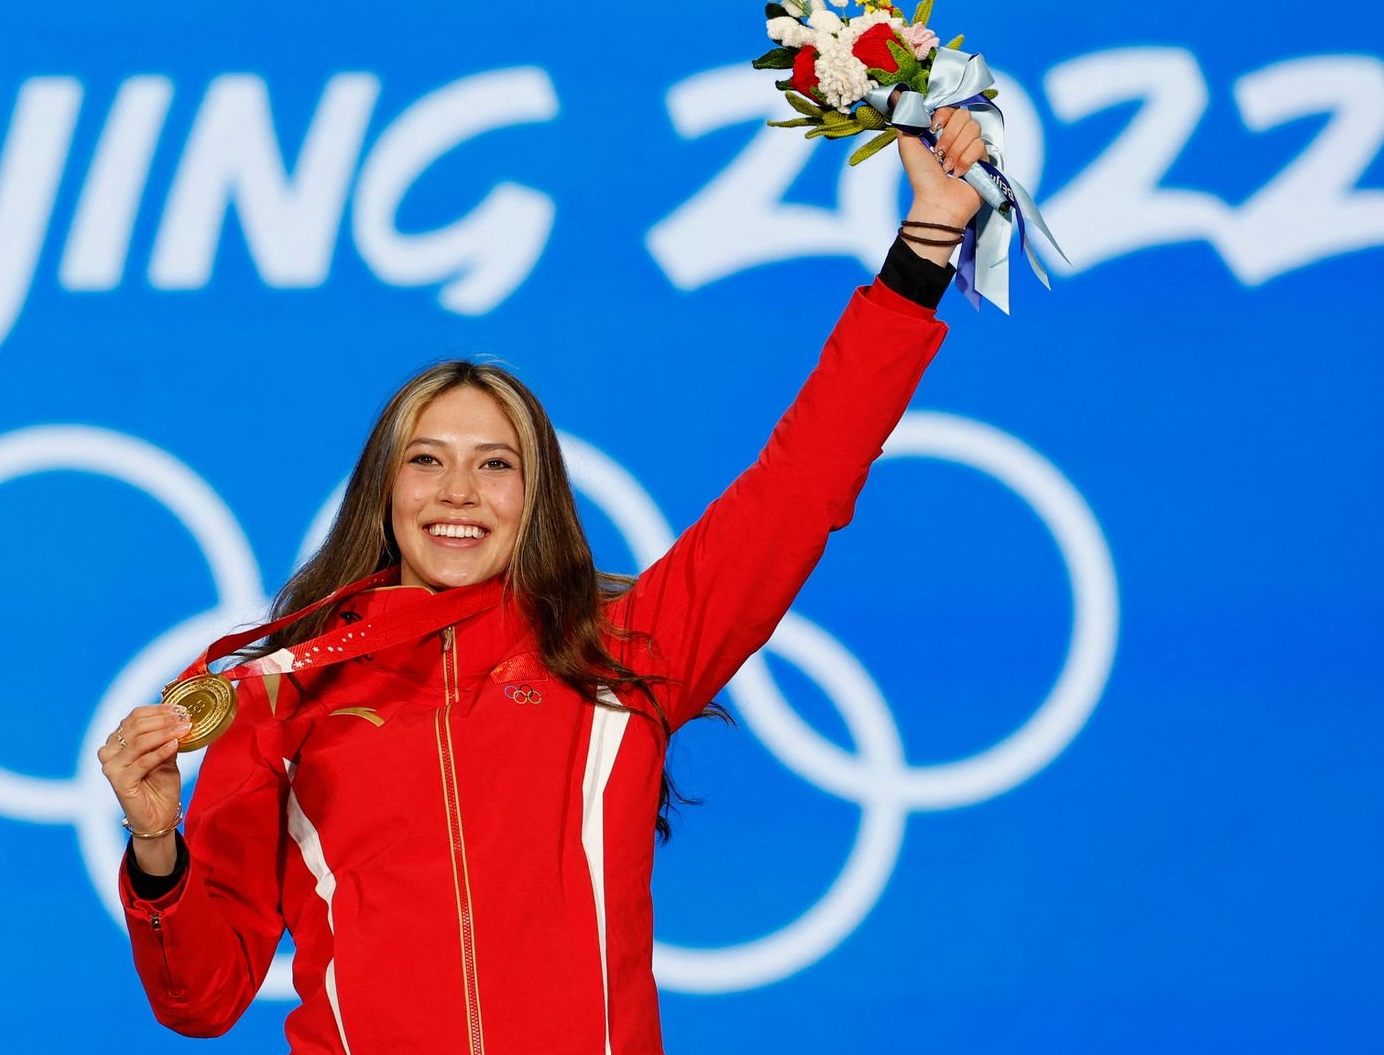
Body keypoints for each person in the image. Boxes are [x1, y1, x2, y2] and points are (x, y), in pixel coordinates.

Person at [97, 109, 993, 1054]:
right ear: (383, 487)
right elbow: (199, 997)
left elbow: (800, 485)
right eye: (427, 460)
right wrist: (158, 853)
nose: (457, 493)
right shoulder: (283, 690)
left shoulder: (623, 652)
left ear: (536, 496)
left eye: (494, 465)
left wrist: (925, 242)